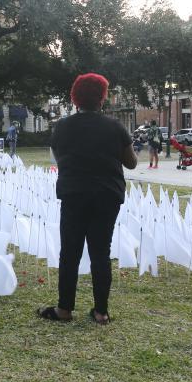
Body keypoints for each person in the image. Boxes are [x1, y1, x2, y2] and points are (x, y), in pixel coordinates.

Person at [38, 73, 137, 325]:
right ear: (102, 98)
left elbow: (59, 157)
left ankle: (64, 309)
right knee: (100, 253)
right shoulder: (115, 127)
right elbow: (132, 163)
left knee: (70, 251)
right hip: (107, 196)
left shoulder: (62, 126)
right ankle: (101, 311)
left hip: (74, 193)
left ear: (75, 98)